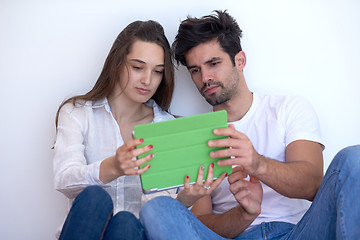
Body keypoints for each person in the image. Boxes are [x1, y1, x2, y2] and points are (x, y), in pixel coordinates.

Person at [140, 10, 360, 239]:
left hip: (298, 233)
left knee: (354, 158)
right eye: (195, 70)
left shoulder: (289, 108)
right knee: (157, 208)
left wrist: (256, 164)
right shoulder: (196, 134)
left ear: (240, 60)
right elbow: (202, 225)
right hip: (235, 236)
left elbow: (313, 185)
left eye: (213, 63)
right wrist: (245, 214)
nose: (205, 77)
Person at [53, 19, 227, 240]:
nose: (147, 80)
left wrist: (185, 200)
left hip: (133, 234)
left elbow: (155, 209)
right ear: (117, 63)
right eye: (137, 67)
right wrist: (113, 167)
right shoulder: (77, 113)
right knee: (95, 196)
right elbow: (64, 180)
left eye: (157, 72)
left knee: (126, 221)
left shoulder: (168, 128)